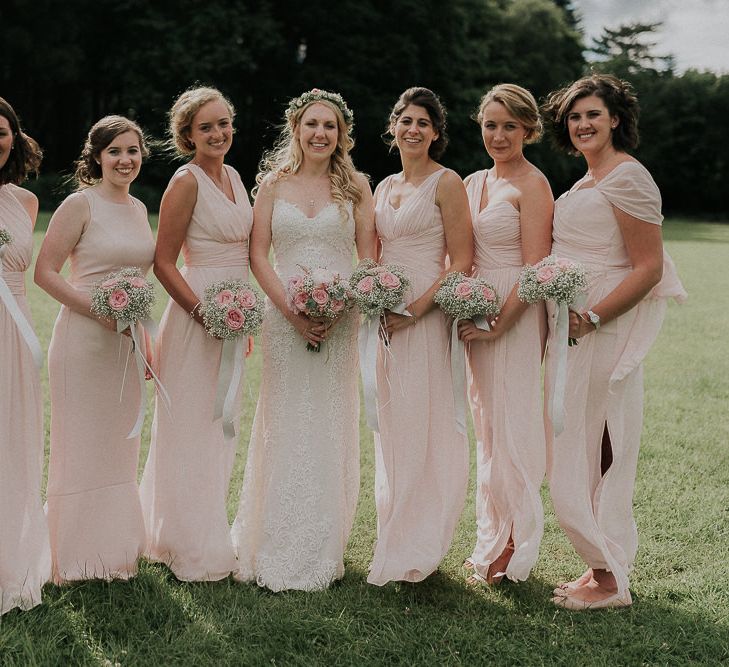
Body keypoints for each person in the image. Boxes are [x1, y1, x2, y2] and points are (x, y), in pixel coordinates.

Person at [542, 74, 686, 609]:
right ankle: (600, 562)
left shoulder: (628, 177)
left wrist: (593, 317)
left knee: (600, 442)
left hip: (604, 326)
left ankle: (608, 580)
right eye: (575, 117)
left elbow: (647, 268)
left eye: (593, 115)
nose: (582, 125)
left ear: (615, 120)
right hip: (573, 327)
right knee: (579, 440)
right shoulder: (586, 180)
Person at [231, 88, 376, 591]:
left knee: (332, 420)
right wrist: (291, 311)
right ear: (296, 129)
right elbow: (258, 256)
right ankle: (271, 536)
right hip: (283, 318)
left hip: (341, 319)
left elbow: (368, 260)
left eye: (330, 126)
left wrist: (340, 308)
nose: (320, 133)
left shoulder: (356, 185)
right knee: (285, 417)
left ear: (341, 135)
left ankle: (323, 542)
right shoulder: (272, 185)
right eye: (312, 124)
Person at [139, 87, 253, 581]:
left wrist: (241, 315)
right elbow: (163, 262)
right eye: (206, 127)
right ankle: (181, 540)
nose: (218, 133)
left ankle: (206, 527)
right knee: (187, 426)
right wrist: (201, 311)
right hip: (194, 315)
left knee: (220, 425)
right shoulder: (185, 182)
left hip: (235, 314)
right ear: (187, 134)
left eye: (224, 123)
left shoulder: (234, 176)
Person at [35, 116, 154, 583]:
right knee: (81, 443)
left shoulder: (141, 207)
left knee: (119, 444)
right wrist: (100, 311)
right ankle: (75, 554)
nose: (126, 160)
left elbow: (141, 278)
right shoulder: (78, 204)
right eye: (116, 152)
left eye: (133, 151)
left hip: (126, 344)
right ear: (98, 157)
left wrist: (141, 332)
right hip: (83, 341)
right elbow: (46, 273)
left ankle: (115, 550)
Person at [368, 87, 473, 586]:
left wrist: (415, 310)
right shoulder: (383, 186)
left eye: (423, 123)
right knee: (390, 425)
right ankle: (393, 529)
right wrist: (373, 296)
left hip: (425, 318)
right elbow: (371, 253)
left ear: (435, 133)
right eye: (405, 120)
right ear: (393, 126)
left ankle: (422, 542)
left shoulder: (447, 183)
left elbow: (461, 261)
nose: (413, 129)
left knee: (425, 425)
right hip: (383, 317)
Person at [458, 84, 553, 585]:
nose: (498, 135)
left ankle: (513, 544)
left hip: (513, 315)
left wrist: (499, 325)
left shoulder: (533, 185)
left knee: (512, 423)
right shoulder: (474, 182)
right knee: (486, 425)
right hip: (476, 312)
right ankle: (491, 536)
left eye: (509, 126)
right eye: (491, 125)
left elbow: (537, 269)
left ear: (528, 130)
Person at [0, 97, 51, 613]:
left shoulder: (27, 203)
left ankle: (10, 560)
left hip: (13, 332)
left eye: (1, 132)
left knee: (12, 439)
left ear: (14, 138)